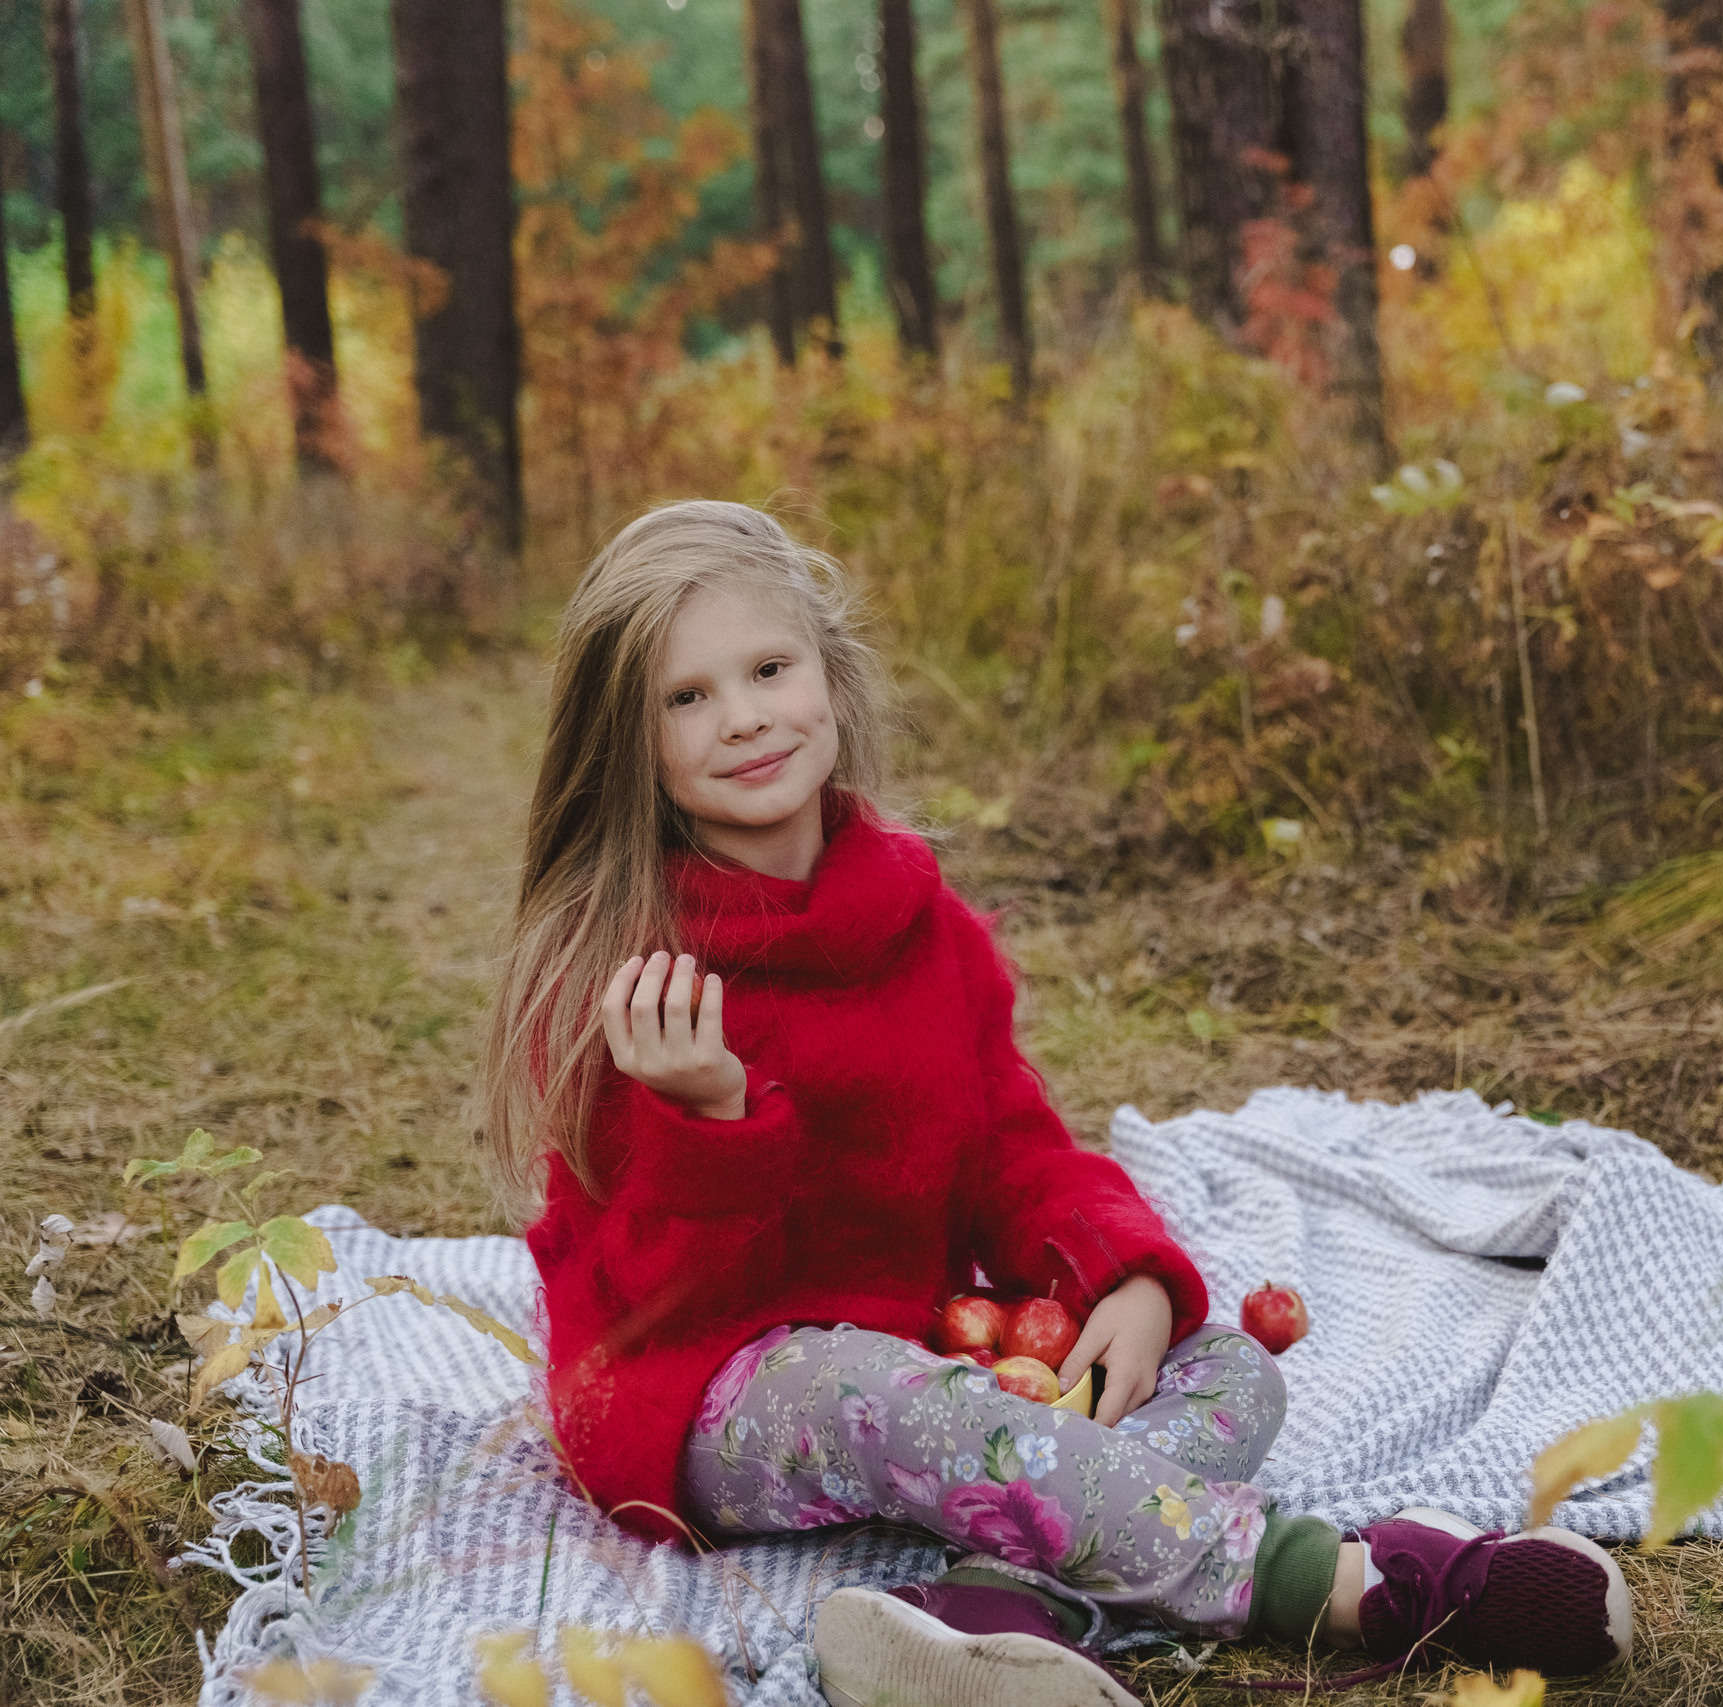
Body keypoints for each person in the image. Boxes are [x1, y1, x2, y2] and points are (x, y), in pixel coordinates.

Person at [479, 501, 1630, 1705]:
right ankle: (1347, 1585)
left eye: (769, 669)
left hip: (933, 1363)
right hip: (707, 1397)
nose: (747, 716)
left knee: (1229, 1367)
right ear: (631, 744)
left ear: (829, 672)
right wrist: (704, 1118)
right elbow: (659, 1306)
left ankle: (991, 1615)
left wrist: (1123, 1273)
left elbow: (1012, 1149)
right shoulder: (632, 973)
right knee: (865, 1387)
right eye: (688, 697)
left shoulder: (924, 929)